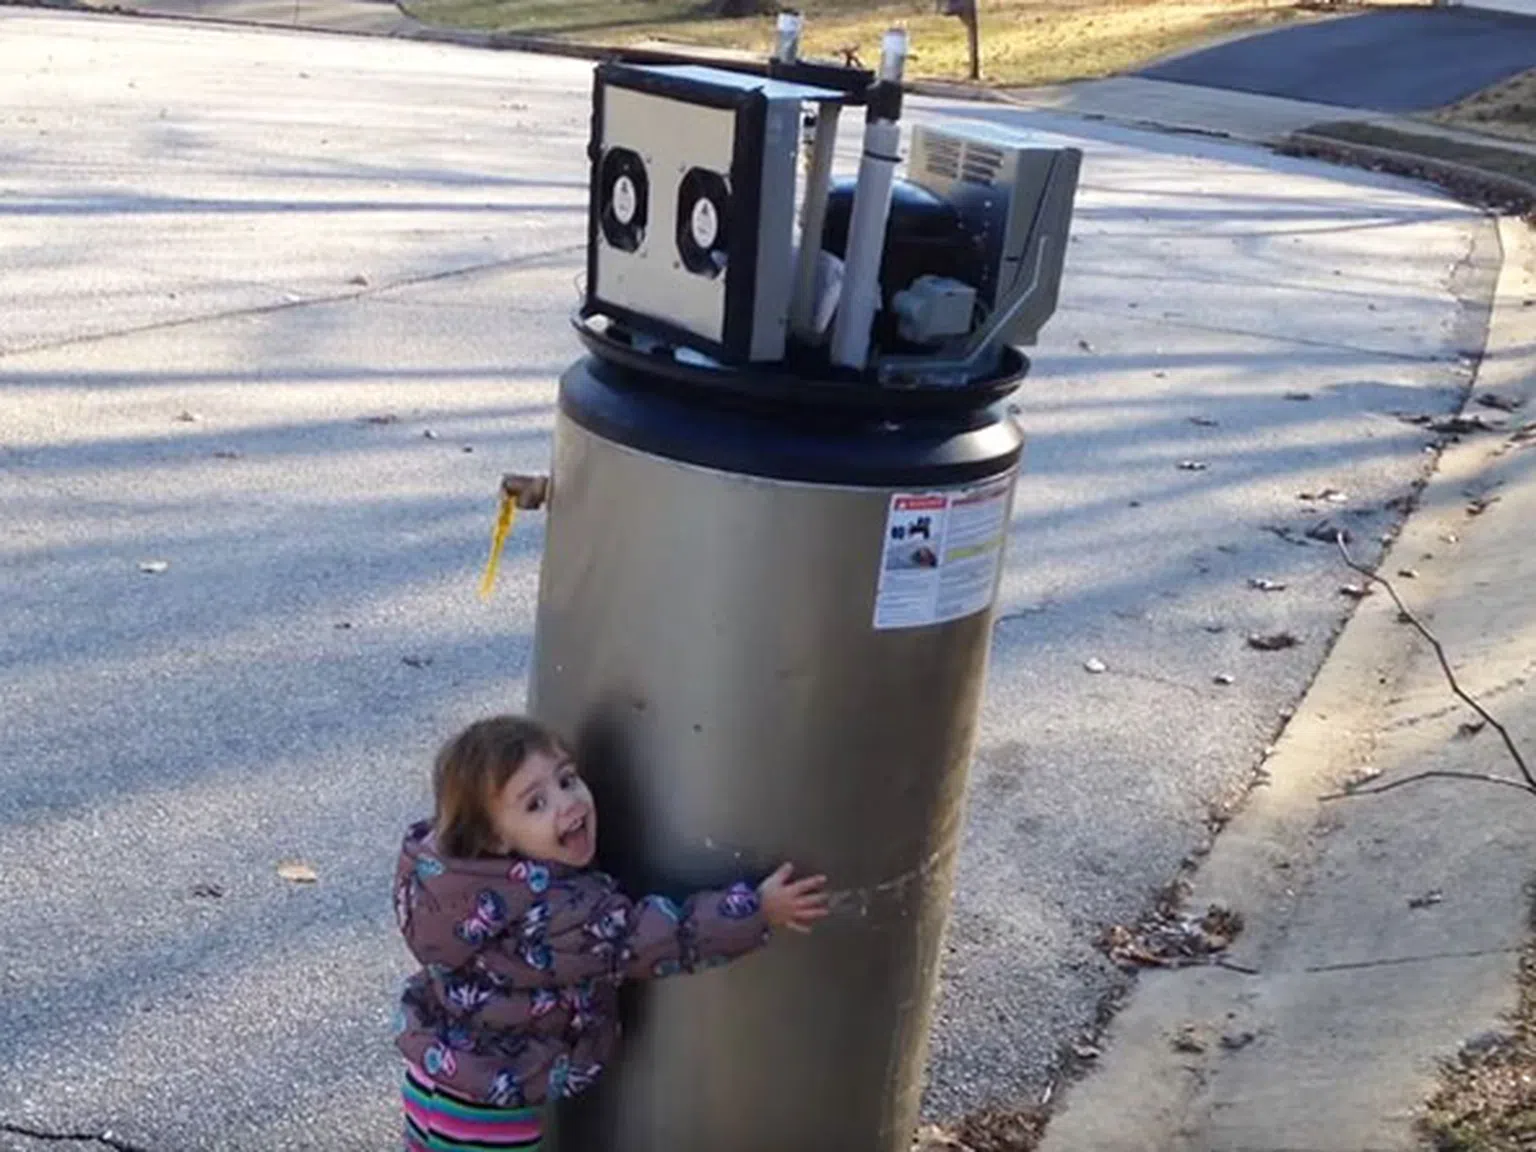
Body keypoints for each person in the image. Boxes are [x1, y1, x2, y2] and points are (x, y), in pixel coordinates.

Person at [392, 714, 829, 1152]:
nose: (568, 803)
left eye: (566, 779)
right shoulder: (558, 912)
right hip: (490, 1100)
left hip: (433, 1069)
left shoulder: (445, 881)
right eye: (535, 804)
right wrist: (756, 911)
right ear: (493, 837)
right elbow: (658, 937)